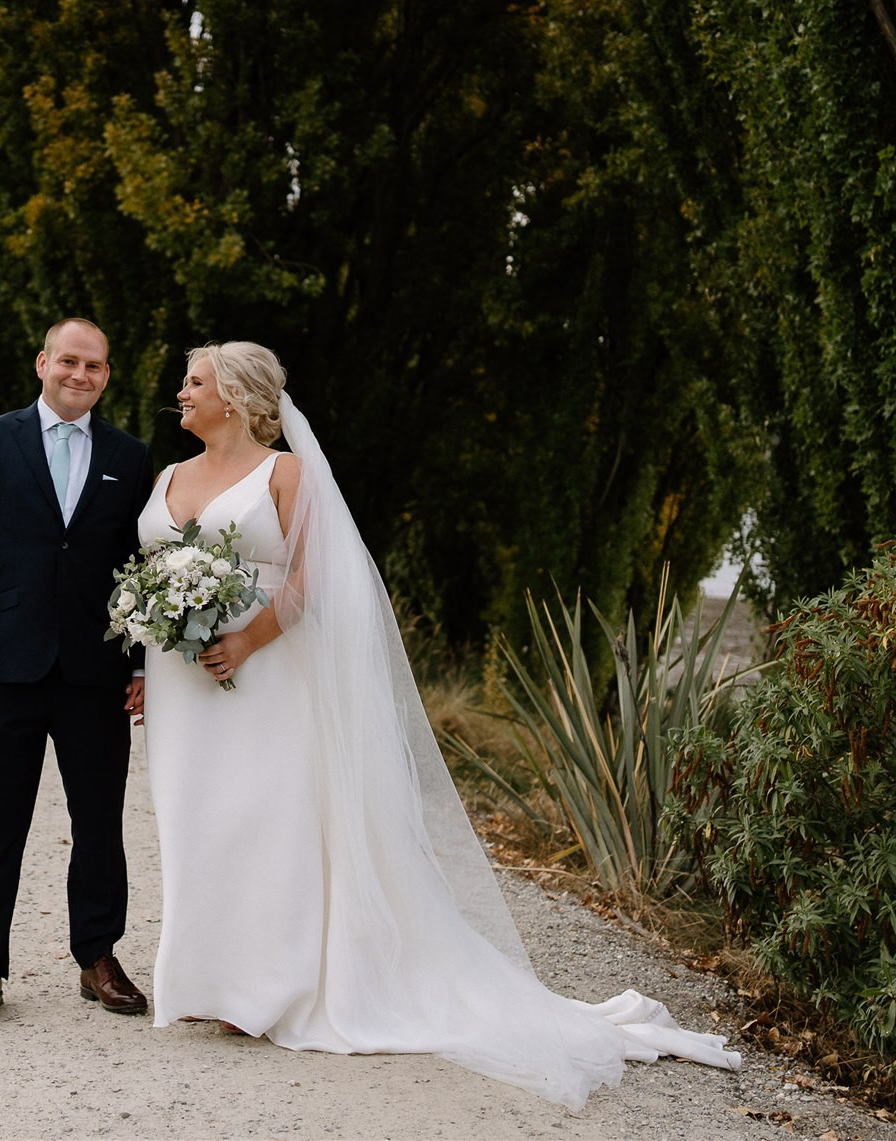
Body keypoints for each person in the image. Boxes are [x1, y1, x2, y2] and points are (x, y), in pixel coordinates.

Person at [138, 341, 741, 1109]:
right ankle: (204, 976)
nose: (180, 392)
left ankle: (262, 990)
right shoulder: (167, 478)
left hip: (266, 672)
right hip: (182, 685)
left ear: (236, 395)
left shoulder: (285, 473)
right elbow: (148, 575)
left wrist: (245, 640)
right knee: (198, 822)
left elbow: (313, 578)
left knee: (268, 820)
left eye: (194, 382)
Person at [0, 318, 154, 1023]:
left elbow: (141, 567)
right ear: (42, 363)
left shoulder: (130, 455)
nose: (80, 374)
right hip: (3, 667)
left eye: (94, 364)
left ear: (106, 374)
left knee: (99, 823)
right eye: (69, 360)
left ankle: (97, 957)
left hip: (96, 671)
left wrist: (144, 660)